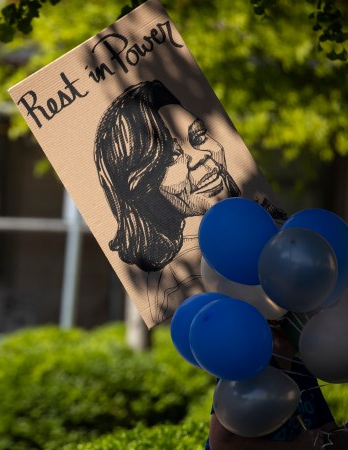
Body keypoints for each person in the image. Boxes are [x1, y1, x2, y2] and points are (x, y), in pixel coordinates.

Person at [94, 80, 241, 322]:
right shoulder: (182, 281)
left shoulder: (258, 228)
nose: (199, 159)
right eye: (170, 157)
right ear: (142, 186)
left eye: (199, 135)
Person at [206, 316, 348, 450]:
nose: (316, 319)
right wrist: (294, 448)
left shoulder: (304, 369)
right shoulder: (247, 367)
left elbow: (327, 432)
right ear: (275, 320)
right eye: (307, 313)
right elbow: (220, 443)